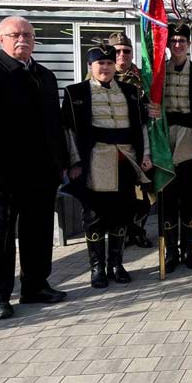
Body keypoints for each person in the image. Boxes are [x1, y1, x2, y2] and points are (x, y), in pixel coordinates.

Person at [63, 45, 153, 288]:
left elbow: (142, 128)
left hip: (125, 160)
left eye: (109, 63)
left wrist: (145, 155)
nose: (105, 68)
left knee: (121, 215)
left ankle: (116, 263)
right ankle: (97, 267)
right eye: (100, 63)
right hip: (95, 163)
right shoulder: (75, 92)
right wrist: (74, 161)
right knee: (94, 217)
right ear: (90, 66)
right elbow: (69, 131)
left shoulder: (131, 91)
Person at [0, 16, 68, 319]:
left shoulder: (45, 75)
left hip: (42, 170)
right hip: (4, 172)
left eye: (27, 34)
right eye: (14, 34)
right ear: (0, 39)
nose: (21, 38)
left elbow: (56, 125)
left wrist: (61, 163)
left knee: (37, 231)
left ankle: (35, 285)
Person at [154, 21, 192, 274]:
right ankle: (171, 252)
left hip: (190, 139)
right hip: (165, 140)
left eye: (182, 41)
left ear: (189, 45)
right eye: (174, 41)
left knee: (190, 198)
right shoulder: (158, 73)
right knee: (168, 200)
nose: (177, 44)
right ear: (168, 44)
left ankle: (188, 249)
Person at [92, 32, 153, 249]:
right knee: (117, 195)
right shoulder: (97, 76)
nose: (122, 55)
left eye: (126, 51)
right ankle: (121, 233)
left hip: (137, 142)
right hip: (106, 148)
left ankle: (137, 230)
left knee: (143, 194)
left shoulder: (143, 77)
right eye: (117, 51)